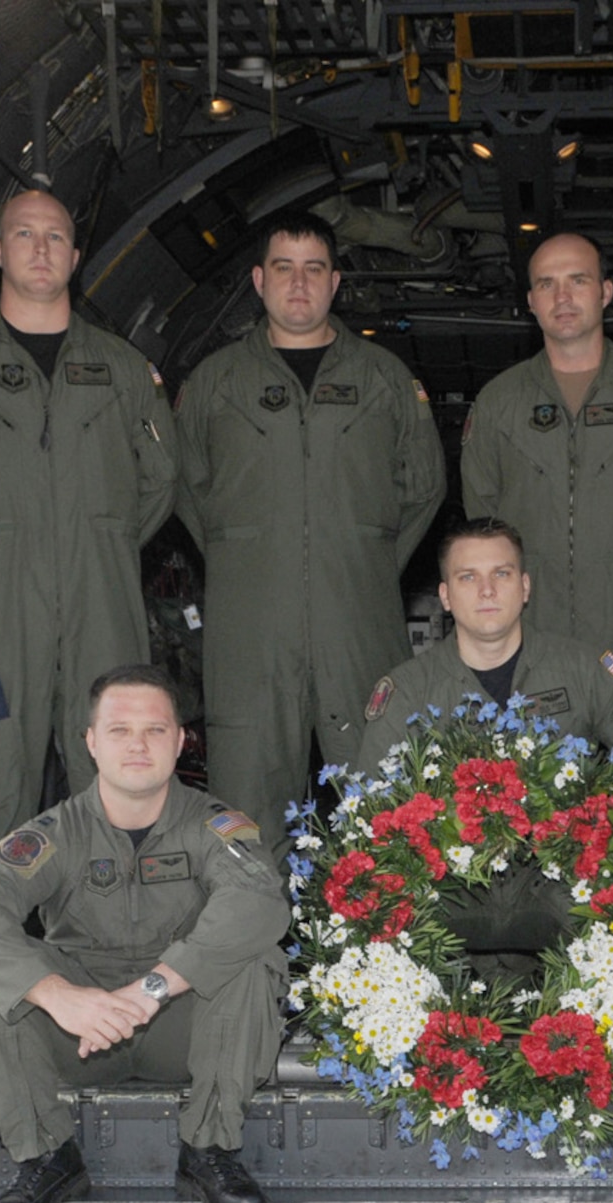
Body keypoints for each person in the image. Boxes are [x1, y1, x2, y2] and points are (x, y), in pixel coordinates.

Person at [0, 190, 177, 879]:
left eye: (55, 236)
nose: (41, 248)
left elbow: (160, 478)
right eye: (24, 234)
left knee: (115, 773)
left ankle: (110, 950)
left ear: (75, 258)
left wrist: (101, 544)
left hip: (100, 601)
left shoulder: (123, 369)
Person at [0, 664, 291, 1203]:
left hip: (180, 1024)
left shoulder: (214, 826)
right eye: (119, 730)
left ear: (180, 742)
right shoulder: (54, 833)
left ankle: (209, 1149)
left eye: (154, 730)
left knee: (253, 958)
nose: (137, 745)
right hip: (78, 1034)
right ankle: (45, 1157)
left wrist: (155, 986)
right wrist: (58, 996)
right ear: (91, 742)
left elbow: (258, 902)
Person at [172, 209, 446, 859]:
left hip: (360, 618)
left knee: (381, 792)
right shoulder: (214, 382)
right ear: (259, 281)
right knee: (246, 802)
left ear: (335, 282)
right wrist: (246, 559)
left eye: (314, 269)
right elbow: (184, 487)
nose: (299, 285)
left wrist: (366, 559)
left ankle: (385, 954)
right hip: (250, 628)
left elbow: (423, 485)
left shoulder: (384, 380)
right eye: (285, 269)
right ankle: (252, 956)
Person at [460, 232, 613, 824]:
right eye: (546, 283)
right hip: (534, 618)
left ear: (606, 292)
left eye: (577, 280)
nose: (562, 295)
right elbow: (484, 516)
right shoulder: (499, 402)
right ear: (530, 302)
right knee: (526, 777)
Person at [356, 517, 613, 950]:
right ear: (446, 596)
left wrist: (610, 831)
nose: (487, 590)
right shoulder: (410, 689)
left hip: (563, 885)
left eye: (502, 574)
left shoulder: (583, 670)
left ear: (525, 587)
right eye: (468, 577)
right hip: (451, 891)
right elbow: (367, 807)